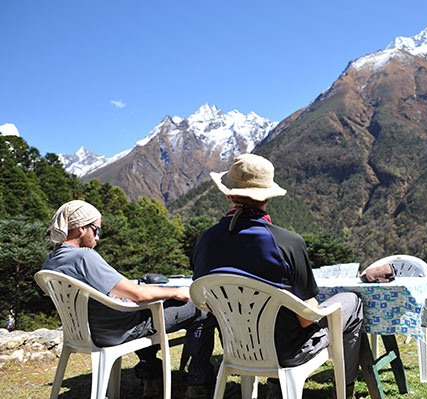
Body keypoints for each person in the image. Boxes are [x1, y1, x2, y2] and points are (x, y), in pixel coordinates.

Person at [192, 154, 363, 399]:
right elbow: (306, 318)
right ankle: (344, 391)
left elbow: (206, 302)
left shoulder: (206, 240)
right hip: (288, 351)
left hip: (237, 349)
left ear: (228, 195)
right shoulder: (288, 242)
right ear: (267, 197)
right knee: (352, 302)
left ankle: (275, 386)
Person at [42, 200, 216, 399]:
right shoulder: (83, 256)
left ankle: (151, 377)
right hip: (118, 331)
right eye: (96, 230)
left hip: (88, 331)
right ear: (82, 228)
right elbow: (138, 294)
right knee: (202, 310)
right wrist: (176, 292)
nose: (98, 238)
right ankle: (197, 383)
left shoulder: (52, 259)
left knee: (144, 309)